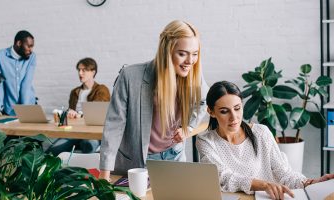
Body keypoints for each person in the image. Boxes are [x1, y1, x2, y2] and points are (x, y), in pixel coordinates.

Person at [99, 20, 208, 180]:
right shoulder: (130, 76)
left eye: (195, 53)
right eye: (183, 53)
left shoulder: (193, 76)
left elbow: (203, 101)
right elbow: (114, 125)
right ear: (167, 50)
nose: (190, 61)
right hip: (137, 163)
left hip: (174, 157)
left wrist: (188, 127)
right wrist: (104, 174)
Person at [196, 81, 334, 200]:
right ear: (211, 112)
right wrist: (264, 185)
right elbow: (222, 177)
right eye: (224, 111)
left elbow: (284, 174)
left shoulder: (261, 132)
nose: (234, 117)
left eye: (237, 108)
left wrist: (310, 183)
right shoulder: (206, 141)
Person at [46, 57, 110, 156]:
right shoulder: (75, 92)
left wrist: (78, 115)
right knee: (52, 150)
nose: (80, 73)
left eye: (84, 70)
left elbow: (98, 114)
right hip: (75, 131)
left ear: (93, 72)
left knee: (88, 145)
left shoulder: (101, 90)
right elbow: (71, 111)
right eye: (79, 70)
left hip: (92, 133)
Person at [0, 30, 36, 118]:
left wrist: (24, 111)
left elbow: (26, 83)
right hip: (9, 109)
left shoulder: (32, 57)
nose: (31, 50)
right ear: (19, 43)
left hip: (29, 107)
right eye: (29, 46)